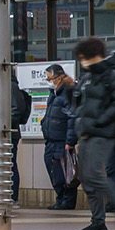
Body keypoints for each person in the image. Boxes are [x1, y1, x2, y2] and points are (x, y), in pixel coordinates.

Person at [72, 37, 115, 230]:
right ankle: (97, 222)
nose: (83, 62)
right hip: (87, 131)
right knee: (86, 178)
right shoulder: (87, 77)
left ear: (94, 55)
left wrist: (100, 120)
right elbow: (80, 103)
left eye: (84, 58)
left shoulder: (111, 74)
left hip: (103, 132)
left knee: (95, 175)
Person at [41, 64, 78, 209]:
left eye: (50, 78)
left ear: (58, 76)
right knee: (54, 172)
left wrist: (70, 141)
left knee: (65, 172)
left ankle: (67, 201)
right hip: (51, 140)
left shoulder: (68, 92)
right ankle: (61, 199)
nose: (50, 81)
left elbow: (72, 118)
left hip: (62, 141)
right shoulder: (54, 94)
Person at [11, 70, 32, 204]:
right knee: (11, 163)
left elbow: (15, 109)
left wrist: (6, 126)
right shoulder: (13, 86)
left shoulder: (10, 86)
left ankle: (13, 196)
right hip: (13, 131)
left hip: (9, 132)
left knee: (10, 164)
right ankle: (12, 196)